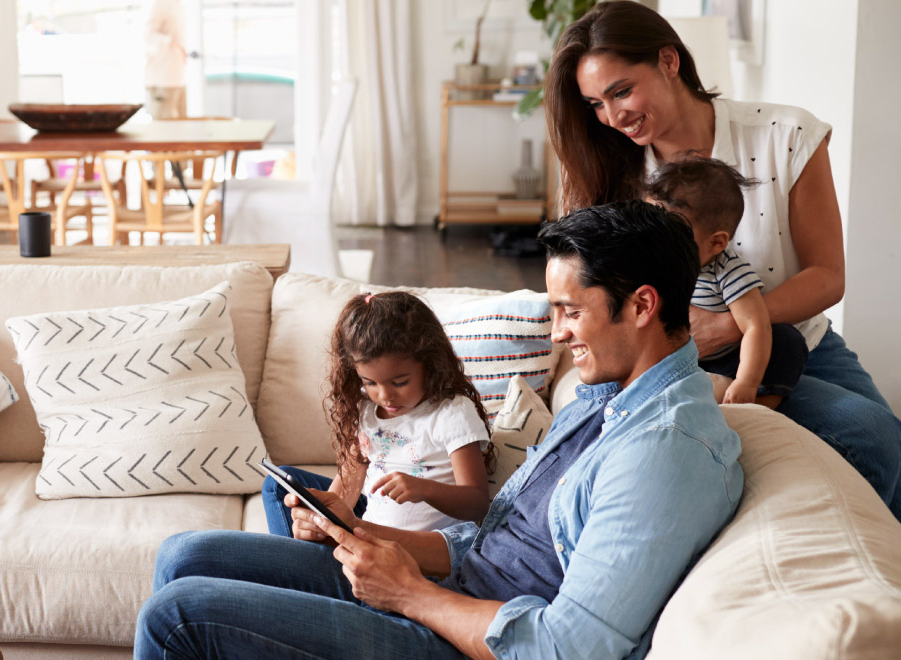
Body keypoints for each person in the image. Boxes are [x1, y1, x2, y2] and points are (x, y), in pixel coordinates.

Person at [135, 201, 742, 660]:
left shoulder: (666, 452)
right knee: (185, 554)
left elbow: (569, 647)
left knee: (178, 616)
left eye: (571, 311)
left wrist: (408, 594)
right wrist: (358, 531)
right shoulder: (603, 397)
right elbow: (489, 539)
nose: (557, 333)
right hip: (448, 586)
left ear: (641, 306)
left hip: (461, 636)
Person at [546, 0, 901, 517]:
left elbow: (827, 276)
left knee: (881, 440)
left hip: (796, 339)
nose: (612, 116)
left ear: (670, 61)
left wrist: (735, 325)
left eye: (621, 90)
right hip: (672, 356)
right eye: (596, 103)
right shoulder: (612, 170)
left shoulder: (787, 135)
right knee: (868, 436)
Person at [262, 291, 492, 538]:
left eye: (400, 382)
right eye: (370, 383)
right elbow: (344, 494)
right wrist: (322, 523)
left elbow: (478, 503)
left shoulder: (451, 413)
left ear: (430, 363)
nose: (385, 396)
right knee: (278, 486)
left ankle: (299, 563)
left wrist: (424, 489)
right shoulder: (366, 410)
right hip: (367, 533)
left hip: (414, 550)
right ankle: (302, 557)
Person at [646, 157, 806, 409]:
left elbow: (756, 326)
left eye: (671, 235)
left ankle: (760, 406)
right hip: (675, 362)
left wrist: (746, 381)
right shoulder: (650, 264)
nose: (656, 244)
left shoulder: (727, 271)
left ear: (716, 243)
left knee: (785, 339)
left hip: (727, 363)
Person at [143, 0, 187, 120]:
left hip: (178, 78)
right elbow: (147, 34)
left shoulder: (178, 5)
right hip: (162, 80)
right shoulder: (160, 3)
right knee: (164, 129)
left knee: (182, 127)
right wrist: (171, 43)